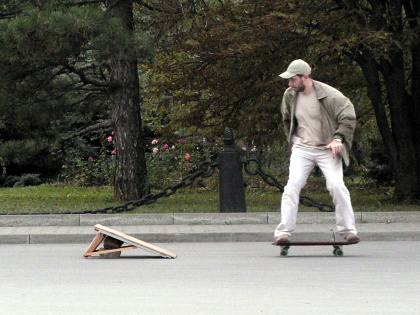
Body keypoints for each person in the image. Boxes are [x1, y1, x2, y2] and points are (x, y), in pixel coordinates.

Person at [274, 59, 360, 243]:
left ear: (306, 76)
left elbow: (348, 116)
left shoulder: (330, 95)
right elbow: (286, 118)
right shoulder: (290, 95)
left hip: (327, 148)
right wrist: (292, 139)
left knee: (337, 186)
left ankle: (348, 230)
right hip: (302, 148)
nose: (290, 84)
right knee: (292, 186)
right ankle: (283, 233)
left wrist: (338, 139)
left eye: (293, 79)